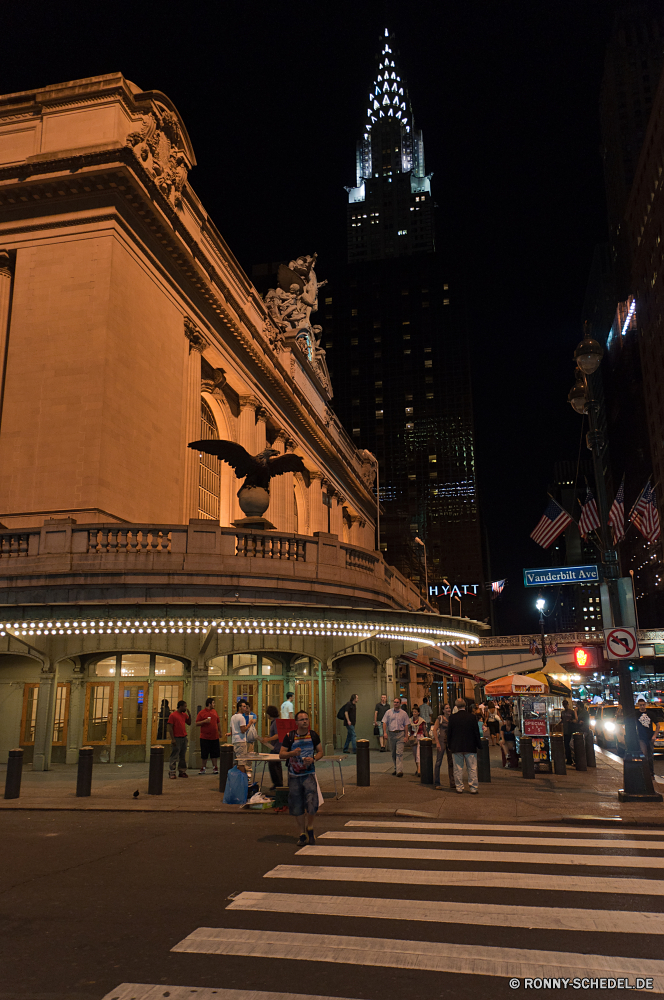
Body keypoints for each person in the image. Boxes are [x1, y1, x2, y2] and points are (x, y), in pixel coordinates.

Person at [280, 710, 324, 846]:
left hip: (309, 775)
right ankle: (302, 833)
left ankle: (310, 827)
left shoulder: (313, 735)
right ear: (296, 722)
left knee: (312, 803)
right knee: (297, 805)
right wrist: (293, 753)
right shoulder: (290, 736)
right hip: (294, 776)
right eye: (302, 719)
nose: (305, 721)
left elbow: (320, 751)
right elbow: (281, 754)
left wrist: (314, 759)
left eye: (306, 719)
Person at [447, 697, 481, 793]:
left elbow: (449, 733)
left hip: (456, 746)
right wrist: (479, 744)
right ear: (465, 705)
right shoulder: (472, 717)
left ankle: (459, 787)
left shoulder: (452, 718)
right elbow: (476, 732)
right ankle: (473, 787)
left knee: (457, 768)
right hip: (470, 745)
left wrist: (449, 745)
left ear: (456, 706)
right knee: (472, 768)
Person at [382, 697, 410, 777]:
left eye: (397, 702)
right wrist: (384, 733)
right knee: (394, 753)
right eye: (394, 702)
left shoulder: (404, 714)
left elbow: (406, 725)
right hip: (391, 734)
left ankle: (399, 770)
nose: (396, 703)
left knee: (399, 753)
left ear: (400, 703)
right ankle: (396, 767)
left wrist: (406, 736)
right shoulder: (388, 712)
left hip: (400, 734)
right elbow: (384, 722)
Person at [260, 704, 283, 789]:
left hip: (277, 747)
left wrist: (268, 739)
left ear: (269, 714)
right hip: (277, 746)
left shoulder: (276, 723)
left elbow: (278, 735)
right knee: (276, 765)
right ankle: (278, 783)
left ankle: (277, 783)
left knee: (273, 764)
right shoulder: (276, 722)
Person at [195, 697, 221, 775]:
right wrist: (204, 721)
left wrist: (220, 731)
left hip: (214, 736)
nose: (214, 704)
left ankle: (215, 767)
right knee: (204, 753)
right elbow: (197, 723)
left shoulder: (214, 712)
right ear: (209, 704)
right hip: (205, 737)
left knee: (214, 753)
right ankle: (203, 768)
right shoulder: (202, 713)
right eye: (213, 703)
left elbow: (218, 722)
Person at [167, 700, 191, 779]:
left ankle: (182, 771)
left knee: (182, 755)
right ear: (180, 706)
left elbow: (189, 723)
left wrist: (189, 714)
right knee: (174, 755)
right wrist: (172, 738)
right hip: (177, 737)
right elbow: (170, 727)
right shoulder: (173, 715)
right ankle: (172, 771)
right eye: (184, 706)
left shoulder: (184, 715)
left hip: (184, 737)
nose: (185, 708)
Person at [433, 703, 453, 789]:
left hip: (450, 741)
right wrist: (437, 742)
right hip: (441, 741)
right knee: (438, 761)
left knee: (451, 762)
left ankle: (452, 782)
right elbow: (434, 729)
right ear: (443, 710)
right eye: (446, 708)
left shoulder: (452, 719)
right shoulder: (440, 718)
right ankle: (437, 782)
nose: (448, 709)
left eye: (449, 708)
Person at [230, 698, 252, 772]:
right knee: (241, 762)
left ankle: (235, 778)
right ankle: (241, 778)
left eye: (246, 706)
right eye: (244, 706)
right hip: (241, 740)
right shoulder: (241, 717)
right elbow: (243, 730)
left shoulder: (233, 717)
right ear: (239, 707)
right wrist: (249, 724)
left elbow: (231, 730)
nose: (245, 708)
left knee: (235, 761)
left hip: (234, 740)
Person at [406, 705, 427, 776]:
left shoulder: (422, 721)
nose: (414, 713)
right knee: (415, 754)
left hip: (420, 737)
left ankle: (419, 770)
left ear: (418, 713)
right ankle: (418, 768)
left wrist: (427, 738)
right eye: (413, 712)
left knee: (418, 754)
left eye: (415, 712)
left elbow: (424, 730)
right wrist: (408, 736)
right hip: (413, 738)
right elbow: (408, 729)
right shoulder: (410, 721)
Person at [636, 699, 656, 778]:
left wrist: (654, 736)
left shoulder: (650, 714)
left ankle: (651, 772)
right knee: (644, 754)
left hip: (650, 737)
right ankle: (645, 771)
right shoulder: (636, 714)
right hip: (641, 737)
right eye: (640, 705)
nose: (642, 706)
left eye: (643, 705)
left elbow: (657, 725)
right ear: (638, 705)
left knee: (650, 755)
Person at [561, 699, 576, 765]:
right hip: (565, 731)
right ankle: (569, 759)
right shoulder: (563, 713)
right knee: (566, 746)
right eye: (564, 705)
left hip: (571, 730)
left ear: (567, 705)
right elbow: (562, 720)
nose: (565, 706)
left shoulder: (571, 712)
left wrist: (571, 721)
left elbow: (575, 720)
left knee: (571, 745)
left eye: (565, 704)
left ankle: (573, 759)